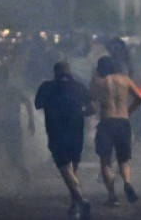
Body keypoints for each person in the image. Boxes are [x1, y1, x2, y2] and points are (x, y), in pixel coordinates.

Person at [35, 62, 94, 219]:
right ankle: (75, 203)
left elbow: (37, 104)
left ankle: (81, 200)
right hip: (76, 131)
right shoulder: (79, 87)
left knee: (64, 168)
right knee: (73, 168)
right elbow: (91, 109)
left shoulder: (47, 87)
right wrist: (77, 111)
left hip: (56, 131)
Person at [90, 55, 141, 206]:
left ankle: (112, 196)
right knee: (123, 159)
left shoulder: (98, 81)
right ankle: (127, 182)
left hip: (107, 121)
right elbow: (139, 97)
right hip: (123, 121)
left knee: (105, 161)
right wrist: (129, 111)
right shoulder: (125, 79)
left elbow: (91, 97)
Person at [0, 65, 34, 186]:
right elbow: (27, 102)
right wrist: (31, 120)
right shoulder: (14, 89)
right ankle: (24, 175)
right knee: (12, 153)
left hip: (0, 125)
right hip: (12, 125)